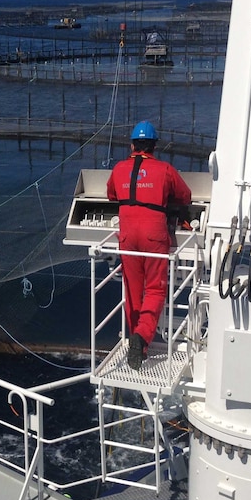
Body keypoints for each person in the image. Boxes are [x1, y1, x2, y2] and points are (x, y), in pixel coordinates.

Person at [106, 121, 192, 369]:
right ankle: (142, 337)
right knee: (154, 290)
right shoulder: (165, 169)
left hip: (127, 233)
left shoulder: (119, 168)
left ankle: (138, 345)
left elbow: (112, 194)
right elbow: (185, 196)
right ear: (154, 147)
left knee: (132, 290)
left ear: (132, 145)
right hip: (154, 233)